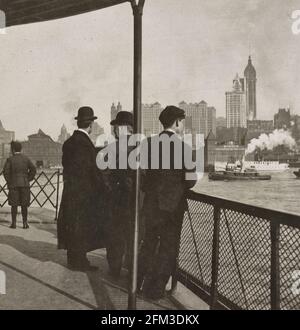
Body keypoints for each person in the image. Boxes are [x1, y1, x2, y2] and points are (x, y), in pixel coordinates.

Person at [138, 105, 197, 300]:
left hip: (151, 204)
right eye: (182, 121)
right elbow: (190, 180)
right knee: (168, 247)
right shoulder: (184, 148)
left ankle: (138, 283)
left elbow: (142, 176)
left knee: (148, 243)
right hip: (172, 207)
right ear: (178, 122)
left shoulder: (148, 144)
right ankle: (155, 290)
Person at [57, 106, 105, 271]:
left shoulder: (69, 142)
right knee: (82, 227)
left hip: (70, 190)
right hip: (84, 193)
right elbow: (92, 170)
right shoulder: (86, 144)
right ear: (90, 124)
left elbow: (66, 165)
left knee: (72, 224)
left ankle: (73, 259)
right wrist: (103, 187)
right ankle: (80, 262)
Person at [102, 111, 136, 279]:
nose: (114, 129)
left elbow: (104, 175)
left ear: (123, 128)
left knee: (115, 235)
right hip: (136, 201)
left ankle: (115, 268)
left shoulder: (111, 148)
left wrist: (111, 191)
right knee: (134, 235)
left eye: (116, 127)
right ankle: (133, 270)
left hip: (116, 200)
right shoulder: (142, 147)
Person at [3, 141, 36, 229]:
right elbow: (33, 169)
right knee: (24, 204)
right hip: (25, 184)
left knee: (14, 205)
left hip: (13, 185)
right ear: (20, 149)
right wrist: (28, 179)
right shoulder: (26, 159)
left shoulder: (10, 159)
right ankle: (25, 223)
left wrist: (10, 181)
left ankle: (14, 224)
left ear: (13, 149)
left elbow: (5, 172)